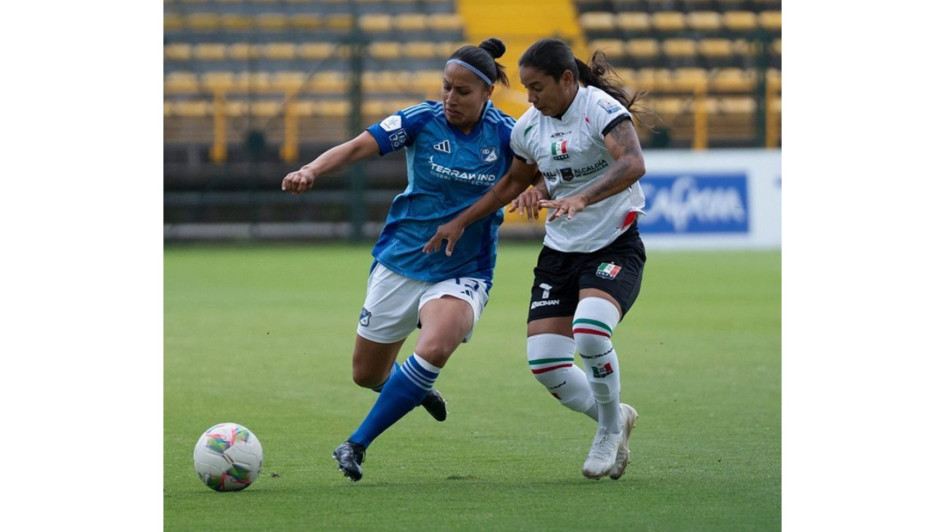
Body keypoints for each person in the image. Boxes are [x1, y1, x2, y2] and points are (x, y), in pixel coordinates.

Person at [281, 38, 517, 482]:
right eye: (446, 87)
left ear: (488, 94)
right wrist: (311, 169)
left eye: (463, 91)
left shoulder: (507, 133)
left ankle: (356, 444)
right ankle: (412, 389)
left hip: (463, 268)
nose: (451, 98)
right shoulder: (420, 119)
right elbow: (356, 147)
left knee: (436, 345)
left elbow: (532, 173)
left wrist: (539, 190)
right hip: (401, 259)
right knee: (365, 373)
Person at [423, 38, 648, 481]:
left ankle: (606, 431)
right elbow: (515, 183)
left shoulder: (599, 109)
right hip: (560, 253)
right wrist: (467, 219)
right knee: (546, 364)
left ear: (568, 79)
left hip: (613, 244)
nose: (530, 97)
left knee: (590, 332)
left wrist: (582, 196)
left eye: (537, 87)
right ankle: (617, 415)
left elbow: (633, 163)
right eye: (526, 88)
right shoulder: (529, 127)